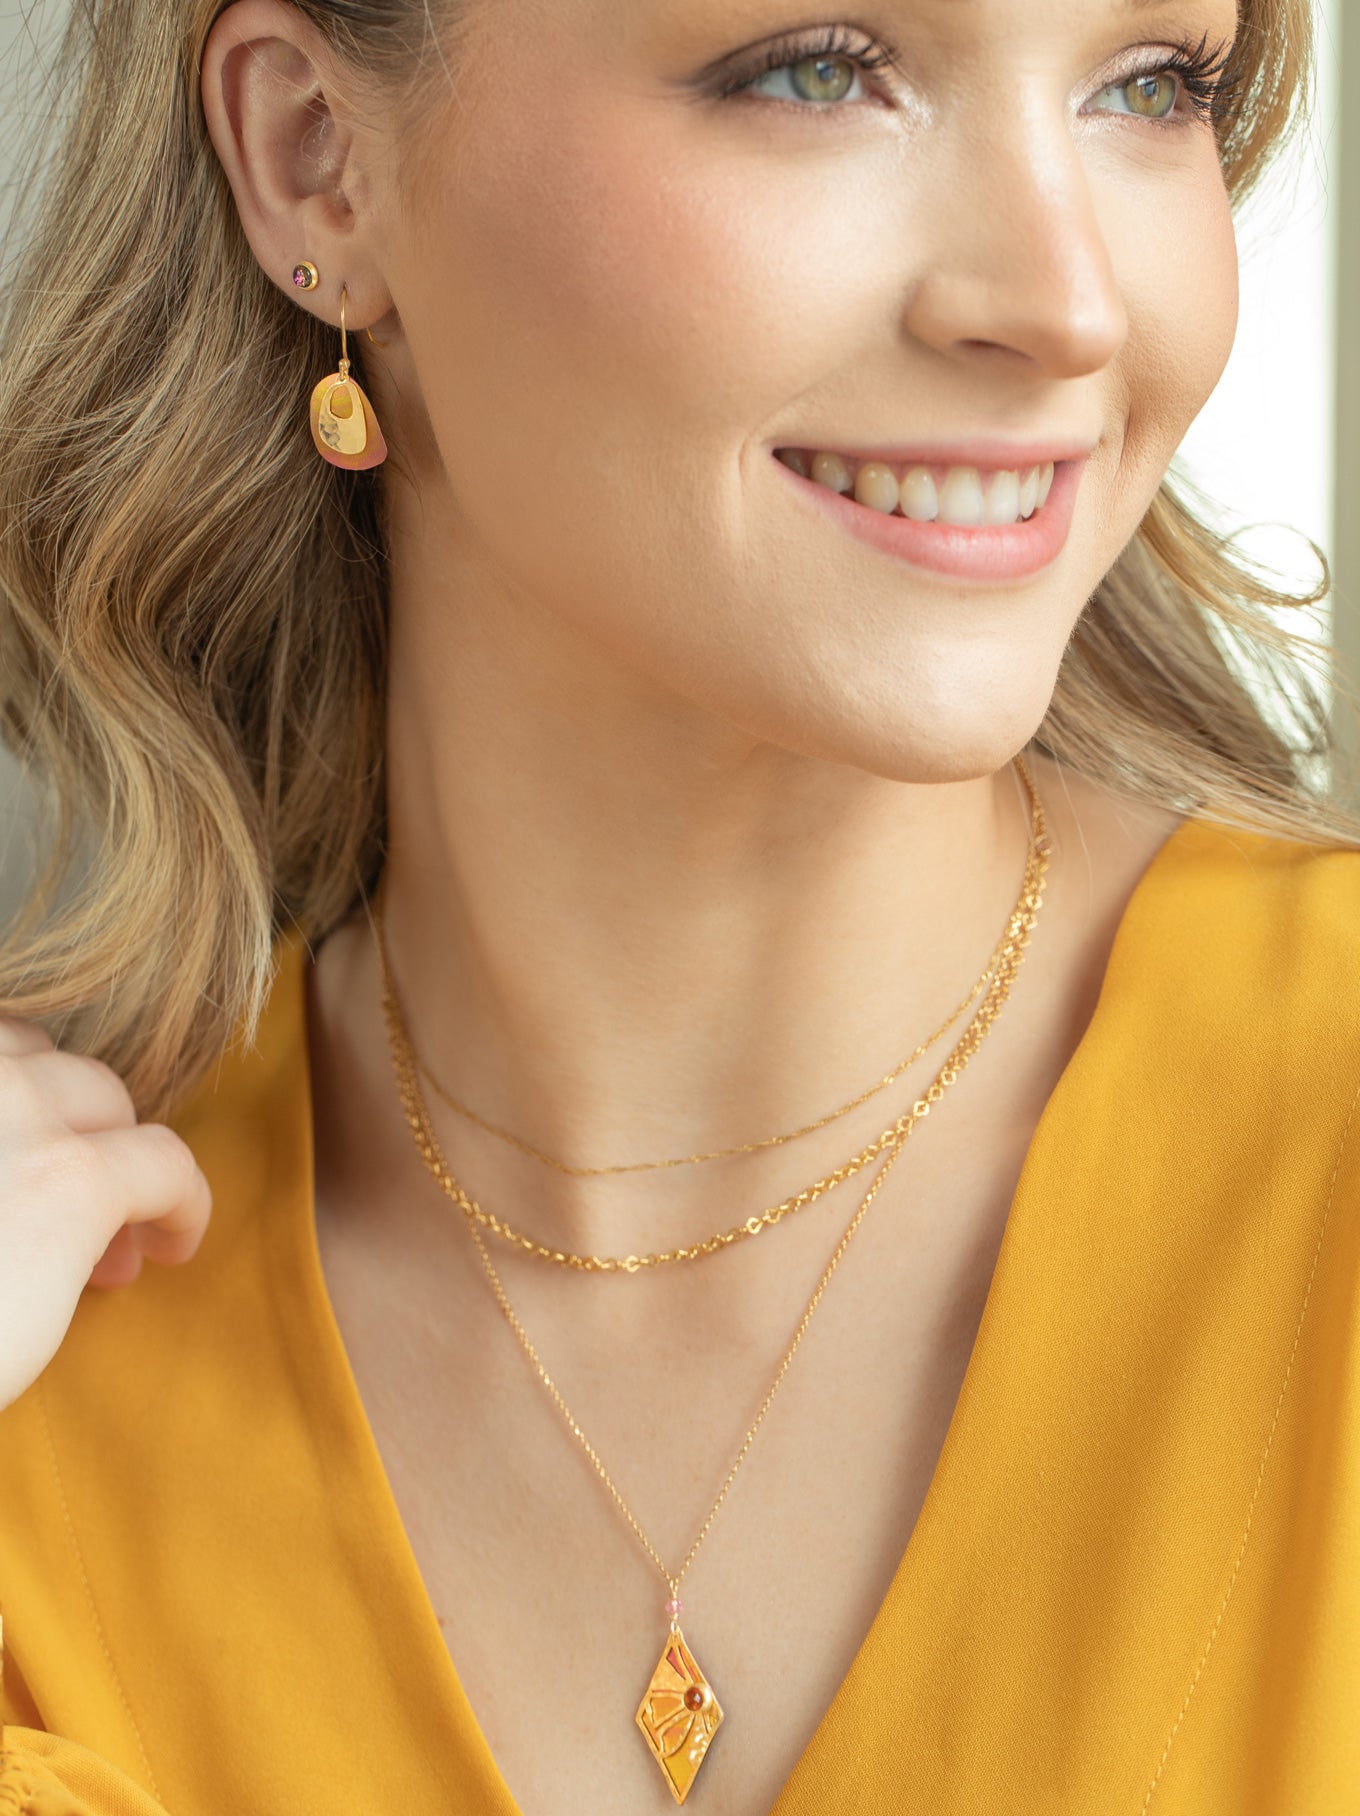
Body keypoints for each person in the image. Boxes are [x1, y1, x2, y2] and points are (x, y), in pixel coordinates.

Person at [0, 0, 1356, 1809]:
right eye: (821, 68)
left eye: (1150, 86)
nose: (1070, 304)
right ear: (316, 158)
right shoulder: (46, 1338)